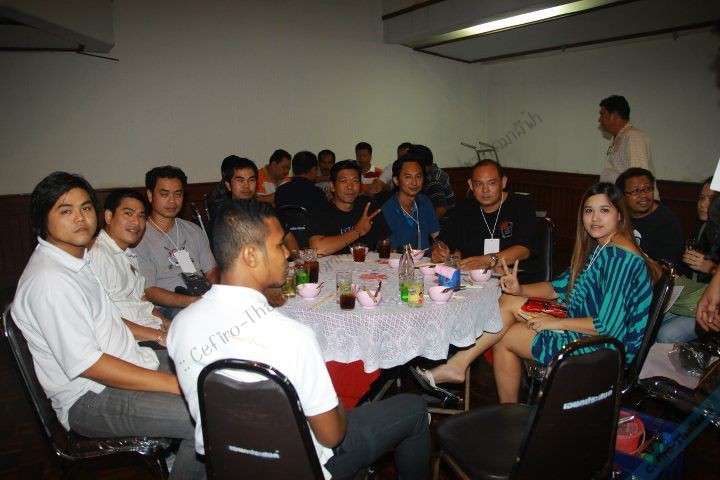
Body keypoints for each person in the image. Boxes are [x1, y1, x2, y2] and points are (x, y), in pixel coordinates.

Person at [167, 200, 430, 480]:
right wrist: (338, 402)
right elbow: (332, 436)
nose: (287, 253)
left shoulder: (181, 325)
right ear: (251, 256)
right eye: (279, 245)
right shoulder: (292, 336)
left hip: (227, 465)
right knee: (414, 409)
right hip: (303, 468)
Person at [12, 172, 204, 479]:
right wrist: (172, 384)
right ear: (42, 219)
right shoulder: (50, 281)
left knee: (205, 366)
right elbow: (89, 365)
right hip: (91, 398)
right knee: (206, 417)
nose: (80, 218)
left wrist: (159, 337)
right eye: (66, 211)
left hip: (126, 358)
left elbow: (108, 319)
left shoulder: (77, 261)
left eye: (86, 208)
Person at [414, 183, 657, 404]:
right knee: (508, 312)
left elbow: (608, 326)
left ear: (620, 215)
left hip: (602, 350)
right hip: (580, 325)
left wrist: (555, 323)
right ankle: (487, 392)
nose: (594, 218)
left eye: (604, 210)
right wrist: (520, 289)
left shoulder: (620, 257)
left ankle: (461, 366)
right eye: (588, 211)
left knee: (505, 332)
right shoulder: (602, 248)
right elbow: (557, 287)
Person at [134, 166, 219, 319]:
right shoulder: (139, 237)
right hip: (168, 307)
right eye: (164, 194)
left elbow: (212, 271)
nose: (172, 201)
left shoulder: (193, 230)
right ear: (150, 195)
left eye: (178, 194)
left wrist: (209, 296)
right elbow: (149, 291)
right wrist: (193, 302)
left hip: (202, 298)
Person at [431, 159, 538, 279]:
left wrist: (487, 260)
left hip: (514, 279)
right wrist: (439, 250)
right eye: (479, 184)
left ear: (503, 182)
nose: (485, 190)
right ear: (471, 185)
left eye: (491, 183)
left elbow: (523, 250)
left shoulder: (521, 205)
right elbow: (441, 242)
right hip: (471, 279)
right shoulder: (464, 208)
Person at [88, 189, 169, 344]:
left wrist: (165, 322)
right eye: (128, 214)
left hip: (152, 332)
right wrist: (158, 336)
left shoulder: (128, 253)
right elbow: (104, 319)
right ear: (108, 216)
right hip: (132, 344)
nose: (136, 222)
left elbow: (141, 300)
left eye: (141, 216)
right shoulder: (97, 254)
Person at [657, 177, 717, 343]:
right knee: (650, 320)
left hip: (713, 305)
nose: (703, 204)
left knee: (665, 335)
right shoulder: (703, 227)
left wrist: (711, 268)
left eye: (712, 200)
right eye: (701, 198)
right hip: (694, 296)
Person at [307, 160, 390, 255]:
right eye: (344, 181)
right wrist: (356, 232)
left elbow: (385, 241)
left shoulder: (367, 205)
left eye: (355, 181)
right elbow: (317, 249)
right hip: (332, 264)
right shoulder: (321, 210)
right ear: (332, 186)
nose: (350, 187)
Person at [615, 168, 683, 268]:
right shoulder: (618, 215)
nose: (643, 195)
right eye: (635, 191)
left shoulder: (667, 220)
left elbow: (666, 265)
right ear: (622, 196)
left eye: (647, 189)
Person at [598, 95, 657, 198]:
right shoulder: (621, 138)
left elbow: (639, 180)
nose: (599, 120)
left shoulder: (633, 136)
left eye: (602, 114)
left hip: (635, 205)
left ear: (614, 115)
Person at [381, 156, 439, 250]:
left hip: (426, 258)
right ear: (396, 180)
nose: (414, 183)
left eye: (418, 177)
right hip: (399, 258)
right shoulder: (387, 209)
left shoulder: (424, 202)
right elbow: (385, 248)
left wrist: (440, 247)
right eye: (408, 177)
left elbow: (436, 235)